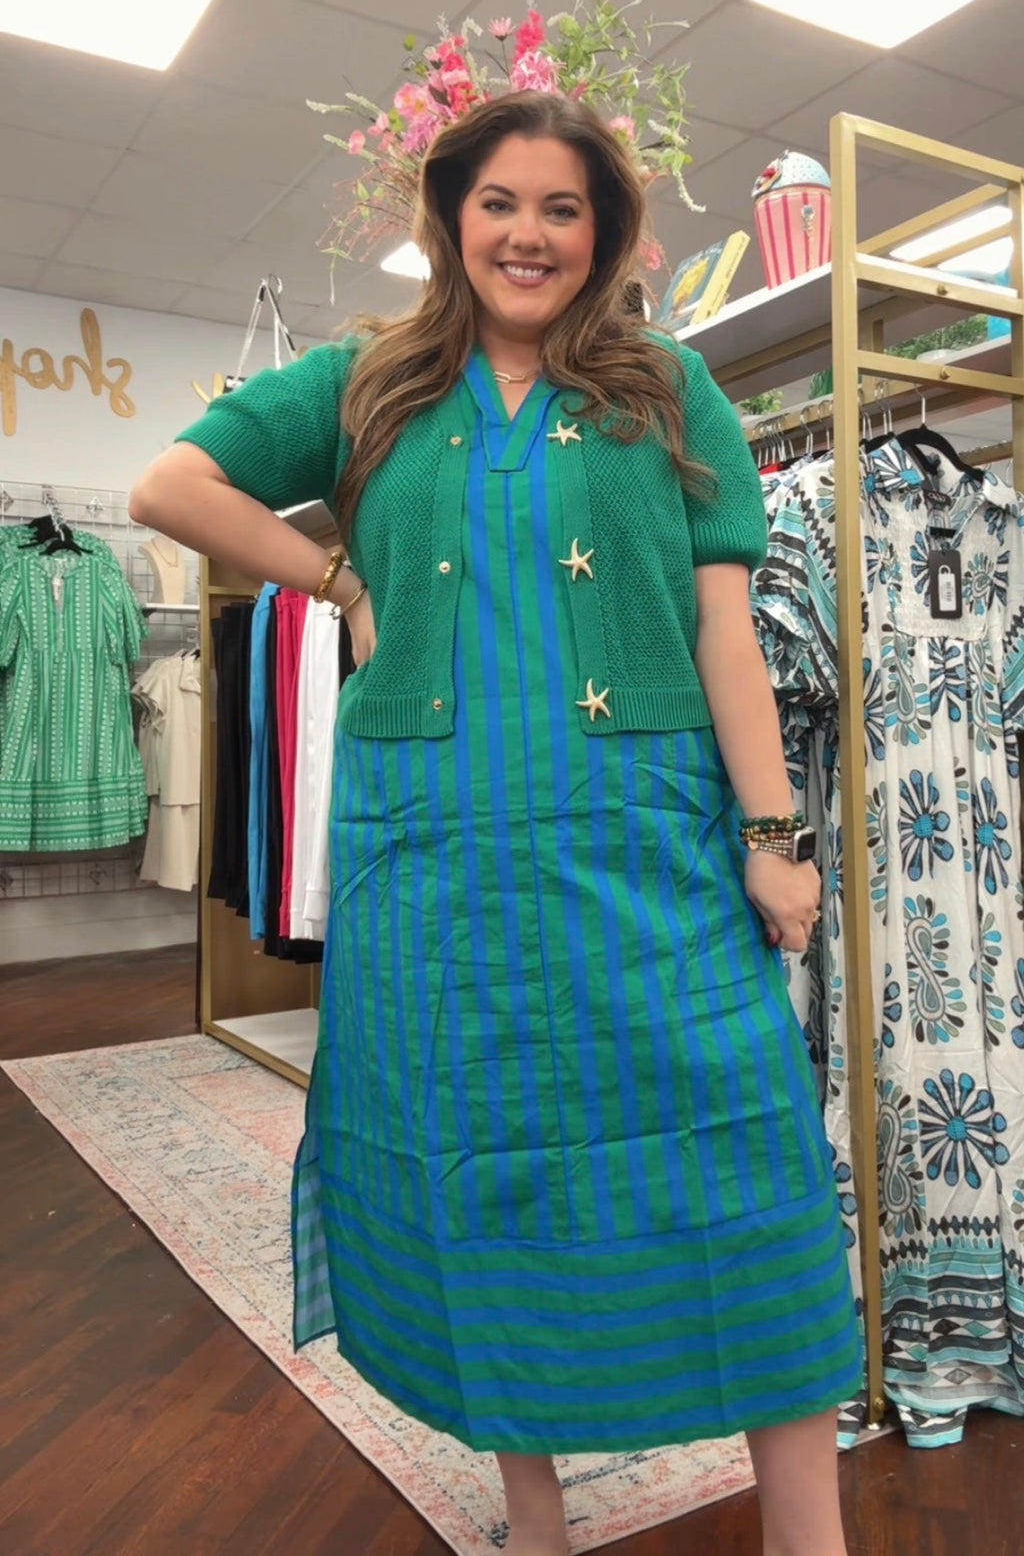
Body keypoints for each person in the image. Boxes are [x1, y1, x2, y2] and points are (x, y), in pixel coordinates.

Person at [130, 89, 860, 1556]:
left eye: (564, 208)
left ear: (604, 234)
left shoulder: (668, 388)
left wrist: (775, 834)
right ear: (453, 219)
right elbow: (168, 484)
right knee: (477, 1157)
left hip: (645, 845)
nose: (530, 234)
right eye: (501, 204)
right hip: (434, 858)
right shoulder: (364, 386)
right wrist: (332, 581)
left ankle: (807, 1533)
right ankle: (534, 1513)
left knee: (748, 1157)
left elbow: (727, 626)